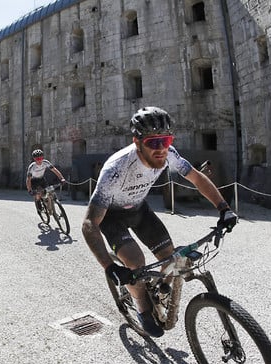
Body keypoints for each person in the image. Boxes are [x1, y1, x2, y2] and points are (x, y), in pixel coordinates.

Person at [81, 106, 238, 338]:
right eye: (153, 143)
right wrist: (110, 267)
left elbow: (195, 177)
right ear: (137, 142)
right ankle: (143, 308)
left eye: (166, 140)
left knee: (170, 259)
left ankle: (159, 291)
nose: (161, 149)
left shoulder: (169, 154)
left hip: (139, 210)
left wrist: (224, 209)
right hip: (111, 216)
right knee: (136, 262)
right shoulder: (115, 169)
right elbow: (89, 224)